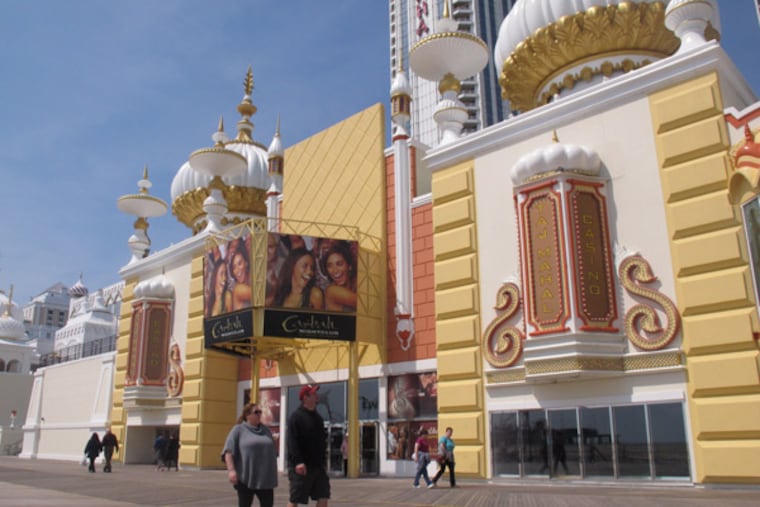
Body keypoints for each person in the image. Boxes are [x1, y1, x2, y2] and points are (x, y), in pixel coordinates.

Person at [222, 403, 278, 507]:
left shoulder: (265, 430)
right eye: (256, 412)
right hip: (246, 478)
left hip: (265, 478)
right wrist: (231, 471)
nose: (259, 414)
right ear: (248, 415)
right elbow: (228, 451)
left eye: (260, 412)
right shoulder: (238, 430)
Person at [287, 384, 330, 507]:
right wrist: (298, 462)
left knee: (323, 496)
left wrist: (323, 461)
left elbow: (322, 442)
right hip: (301, 466)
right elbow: (292, 442)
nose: (317, 396)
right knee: (295, 498)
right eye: (313, 393)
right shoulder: (295, 417)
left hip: (318, 466)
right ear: (305, 398)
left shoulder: (318, 419)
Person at [321, 241, 357, 312]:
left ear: (349, 266)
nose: (335, 270)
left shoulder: (355, 283)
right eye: (329, 266)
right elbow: (365, 303)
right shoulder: (331, 291)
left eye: (339, 264)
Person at [229, 244, 252, 310]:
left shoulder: (248, 281)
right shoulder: (238, 289)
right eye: (234, 267)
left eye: (239, 263)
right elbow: (261, 295)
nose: (237, 270)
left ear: (246, 263)